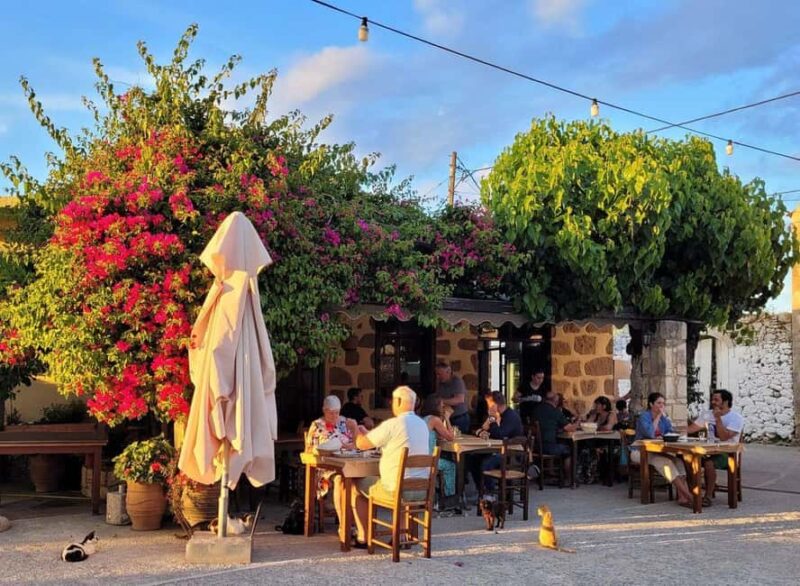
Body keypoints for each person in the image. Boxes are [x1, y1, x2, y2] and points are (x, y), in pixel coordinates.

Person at [351, 386, 431, 548]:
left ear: (399, 401)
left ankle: (364, 537)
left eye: (393, 401)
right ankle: (401, 535)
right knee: (400, 480)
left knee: (356, 485)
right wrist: (367, 432)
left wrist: (355, 429)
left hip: (396, 491)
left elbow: (361, 444)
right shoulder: (422, 425)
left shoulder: (393, 424)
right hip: (422, 490)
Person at [633, 392, 693, 508]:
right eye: (659, 403)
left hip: (656, 450)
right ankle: (689, 496)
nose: (662, 406)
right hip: (640, 451)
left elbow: (670, 431)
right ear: (651, 404)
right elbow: (650, 433)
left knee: (679, 462)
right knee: (666, 463)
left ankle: (682, 497)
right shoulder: (644, 417)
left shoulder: (663, 419)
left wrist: (668, 424)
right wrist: (658, 416)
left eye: (663, 403)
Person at [305, 395, 358, 525]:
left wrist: (355, 429)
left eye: (337, 412)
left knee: (359, 479)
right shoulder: (317, 425)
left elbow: (356, 445)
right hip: (325, 468)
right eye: (331, 413)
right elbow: (311, 450)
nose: (334, 416)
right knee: (341, 480)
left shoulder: (344, 422)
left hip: (347, 465)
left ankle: (356, 523)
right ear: (324, 410)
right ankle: (344, 524)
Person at [686, 389, 744, 506]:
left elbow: (723, 437)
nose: (713, 402)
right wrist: (672, 431)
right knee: (686, 458)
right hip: (709, 450)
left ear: (726, 402)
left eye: (716, 400)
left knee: (709, 463)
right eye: (712, 399)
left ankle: (707, 497)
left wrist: (718, 419)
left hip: (728, 453)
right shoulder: (707, 414)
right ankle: (692, 493)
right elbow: (691, 429)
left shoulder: (736, 418)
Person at [468, 391, 524, 490]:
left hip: (511, 454)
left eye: (489, 404)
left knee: (486, 464)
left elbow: (499, 435)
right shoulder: (499, 415)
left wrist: (492, 419)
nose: (488, 407)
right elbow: (484, 429)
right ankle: (482, 489)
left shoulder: (510, 416)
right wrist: (485, 427)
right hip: (497, 449)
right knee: (473, 458)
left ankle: (490, 491)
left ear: (495, 404)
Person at [420, 394, 457, 505]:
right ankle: (449, 499)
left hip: (420, 458)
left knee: (446, 460)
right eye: (441, 406)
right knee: (450, 466)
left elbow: (440, 436)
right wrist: (447, 418)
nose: (443, 408)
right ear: (435, 406)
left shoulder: (424, 419)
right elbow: (450, 437)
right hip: (429, 460)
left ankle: (440, 493)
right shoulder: (435, 419)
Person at [535, 391, 579, 480]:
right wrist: (578, 421)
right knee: (569, 450)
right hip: (548, 447)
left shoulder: (537, 409)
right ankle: (569, 479)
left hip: (536, 446)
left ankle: (550, 473)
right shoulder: (555, 411)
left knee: (557, 442)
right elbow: (570, 428)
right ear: (556, 401)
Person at [435, 361, 470, 434]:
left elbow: (459, 399)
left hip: (459, 418)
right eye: (437, 374)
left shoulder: (457, 382)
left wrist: (441, 401)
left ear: (448, 372)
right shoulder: (441, 383)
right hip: (447, 418)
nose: (437, 376)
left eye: (440, 374)